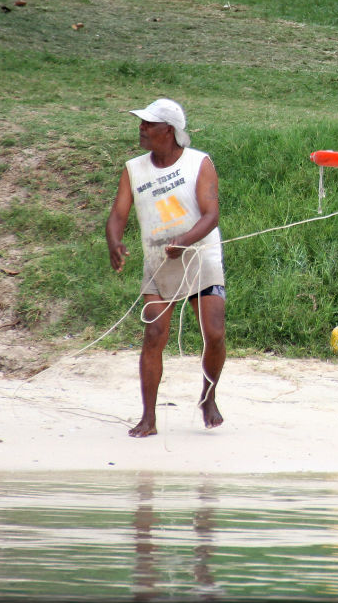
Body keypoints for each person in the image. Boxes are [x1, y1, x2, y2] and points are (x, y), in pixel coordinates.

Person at [106, 98, 226, 438]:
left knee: (214, 333)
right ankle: (148, 418)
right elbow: (118, 215)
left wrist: (185, 241)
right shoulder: (134, 169)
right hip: (159, 259)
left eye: (148, 124)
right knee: (154, 334)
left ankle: (208, 396)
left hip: (200, 255)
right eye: (141, 123)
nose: (141, 129)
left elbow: (211, 216)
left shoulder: (199, 163)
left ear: (169, 131)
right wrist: (113, 242)